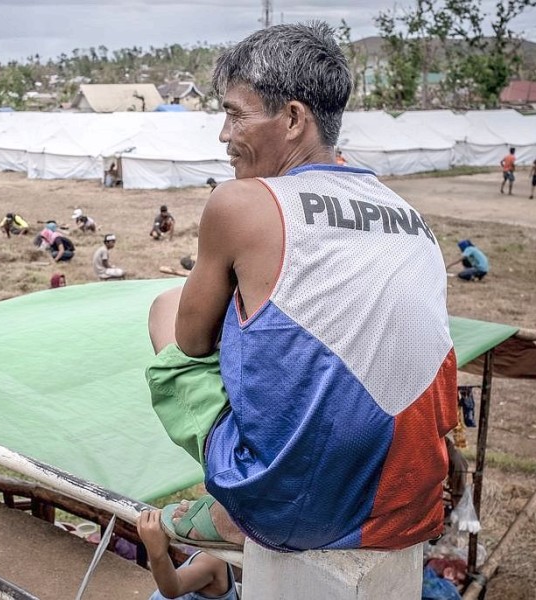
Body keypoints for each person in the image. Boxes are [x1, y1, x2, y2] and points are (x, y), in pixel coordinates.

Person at [145, 22, 456, 553]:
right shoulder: (407, 213)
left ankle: (232, 511)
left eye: (235, 114)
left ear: (292, 119)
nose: (224, 134)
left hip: (295, 512)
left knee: (167, 305)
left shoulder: (239, 201)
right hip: (410, 507)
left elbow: (192, 345)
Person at [137, 508, 238, 600]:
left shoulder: (217, 561)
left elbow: (173, 589)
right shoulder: (214, 559)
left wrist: (157, 553)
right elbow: (172, 589)